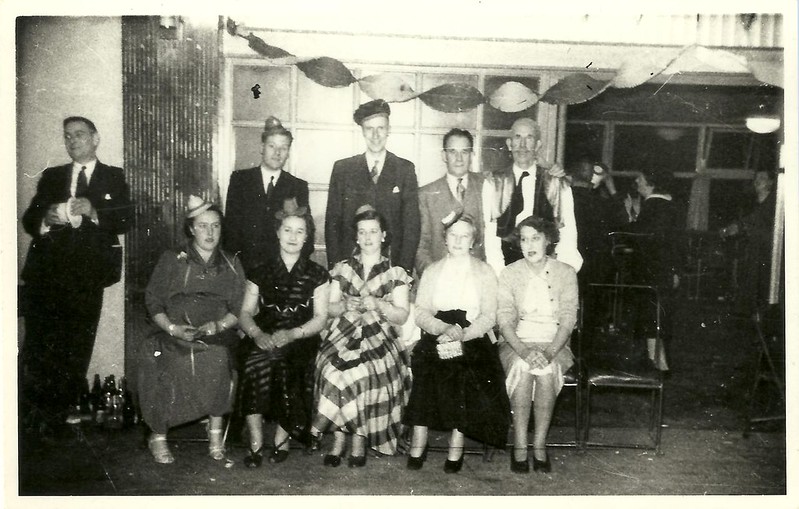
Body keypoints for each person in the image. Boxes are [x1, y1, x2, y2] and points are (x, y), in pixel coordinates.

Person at [20, 116, 132, 438]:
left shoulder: (113, 176)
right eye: (67, 136)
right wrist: (47, 217)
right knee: (41, 348)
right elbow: (29, 219)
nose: (73, 141)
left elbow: (125, 218)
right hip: (47, 277)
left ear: (95, 139)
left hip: (87, 278)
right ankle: (34, 419)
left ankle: (58, 417)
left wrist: (94, 210)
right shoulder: (52, 176)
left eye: (80, 135)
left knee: (76, 348)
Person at [137, 196, 245, 464]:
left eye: (216, 226)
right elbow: (153, 300)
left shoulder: (231, 262)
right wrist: (172, 328)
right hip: (172, 334)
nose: (210, 232)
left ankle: (216, 435)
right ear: (191, 229)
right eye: (203, 225)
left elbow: (240, 308)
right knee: (168, 361)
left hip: (215, 334)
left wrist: (218, 325)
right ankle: (158, 436)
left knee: (219, 357)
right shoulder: (172, 258)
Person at [404, 215, 510, 473]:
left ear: (473, 241)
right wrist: (442, 329)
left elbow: (488, 316)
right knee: (427, 364)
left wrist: (462, 334)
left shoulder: (485, 271)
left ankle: (456, 441)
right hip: (438, 332)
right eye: (453, 235)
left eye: (465, 236)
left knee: (463, 369)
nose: (459, 240)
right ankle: (419, 436)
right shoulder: (432, 270)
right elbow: (421, 312)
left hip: (471, 335)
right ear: (445, 239)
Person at [312, 205, 412, 467]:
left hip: (380, 336)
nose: (367, 238)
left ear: (383, 235)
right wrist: (345, 306)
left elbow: (401, 316)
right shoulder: (342, 269)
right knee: (333, 371)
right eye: (362, 232)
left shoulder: (395, 272)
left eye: (373, 232)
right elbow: (328, 308)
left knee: (363, 372)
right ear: (356, 237)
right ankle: (339, 438)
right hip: (342, 334)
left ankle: (355, 438)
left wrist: (378, 305)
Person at [236, 199, 330, 468]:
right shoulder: (259, 271)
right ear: (277, 233)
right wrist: (256, 334)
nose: (293, 237)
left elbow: (321, 318)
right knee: (254, 362)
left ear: (307, 237)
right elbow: (244, 312)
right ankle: (255, 438)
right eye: (287, 230)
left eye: (300, 231)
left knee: (289, 364)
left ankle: (282, 435)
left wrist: (294, 334)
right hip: (264, 333)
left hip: (301, 337)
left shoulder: (317, 274)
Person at [497, 216, 578, 474]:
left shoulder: (566, 273)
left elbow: (568, 320)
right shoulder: (509, 273)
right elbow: (504, 321)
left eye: (535, 238)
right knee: (522, 367)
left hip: (555, 343)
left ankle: (540, 443)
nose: (528, 244)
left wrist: (549, 352)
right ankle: (520, 444)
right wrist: (524, 351)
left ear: (548, 240)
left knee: (545, 370)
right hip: (516, 342)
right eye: (523, 239)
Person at [325, 99, 420, 273]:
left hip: (392, 268)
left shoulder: (404, 169)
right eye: (370, 129)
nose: (375, 135)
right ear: (362, 131)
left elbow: (411, 226)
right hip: (350, 268)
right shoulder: (343, 169)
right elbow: (332, 223)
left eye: (381, 128)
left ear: (388, 130)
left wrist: (403, 271)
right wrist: (337, 269)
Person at [491, 118, 581, 272]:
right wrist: (499, 271)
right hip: (507, 265)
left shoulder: (556, 183)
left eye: (529, 137)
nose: (523, 145)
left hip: (546, 265)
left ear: (538, 145)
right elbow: (490, 233)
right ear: (509, 144)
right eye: (518, 137)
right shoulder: (495, 182)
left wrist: (560, 269)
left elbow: (568, 231)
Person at [224, 116, 310, 274]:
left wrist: (291, 268)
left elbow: (306, 232)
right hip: (244, 267)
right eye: (272, 146)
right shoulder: (240, 180)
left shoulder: (297, 186)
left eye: (283, 148)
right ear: (262, 148)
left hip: (281, 270)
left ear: (288, 152)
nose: (277, 153)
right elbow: (230, 228)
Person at [625, 168, 684, 371]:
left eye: (640, 178)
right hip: (664, 269)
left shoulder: (653, 205)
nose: (636, 181)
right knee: (658, 316)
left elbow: (641, 238)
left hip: (650, 270)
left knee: (651, 316)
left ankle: (659, 364)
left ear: (651, 182)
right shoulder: (669, 205)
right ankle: (658, 361)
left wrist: (631, 216)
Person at [415, 128, 490, 275]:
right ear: (444, 155)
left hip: (477, 279)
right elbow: (421, 247)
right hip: (440, 281)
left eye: (464, 152)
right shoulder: (426, 195)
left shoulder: (486, 186)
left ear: (472, 155)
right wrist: (436, 277)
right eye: (452, 152)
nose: (459, 158)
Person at [719, 169, 777, 313]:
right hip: (755, 253)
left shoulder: (775, 205)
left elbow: (752, 221)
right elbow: (746, 221)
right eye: (756, 178)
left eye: (762, 178)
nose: (757, 181)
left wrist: (738, 227)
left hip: (769, 254)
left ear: (771, 182)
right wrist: (732, 229)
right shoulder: (753, 204)